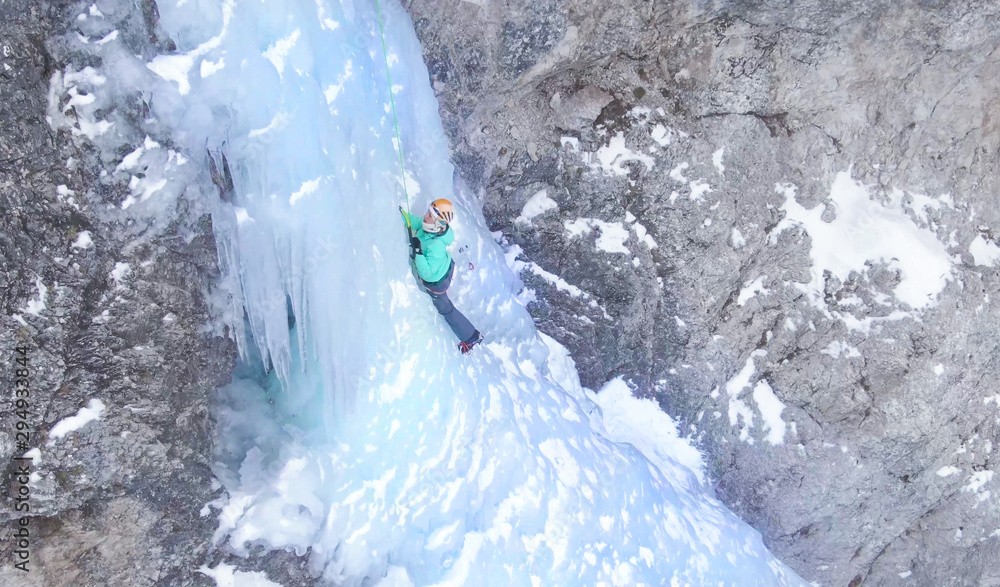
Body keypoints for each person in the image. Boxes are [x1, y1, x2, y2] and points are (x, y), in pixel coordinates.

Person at [401, 199, 483, 354]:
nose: (425, 216)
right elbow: (419, 223)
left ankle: (471, 337)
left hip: (437, 282)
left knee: (445, 308)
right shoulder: (432, 228)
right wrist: (406, 217)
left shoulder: (435, 246)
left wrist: (418, 253)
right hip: (443, 266)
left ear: (438, 223)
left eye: (430, 216)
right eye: (428, 212)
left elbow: (428, 275)